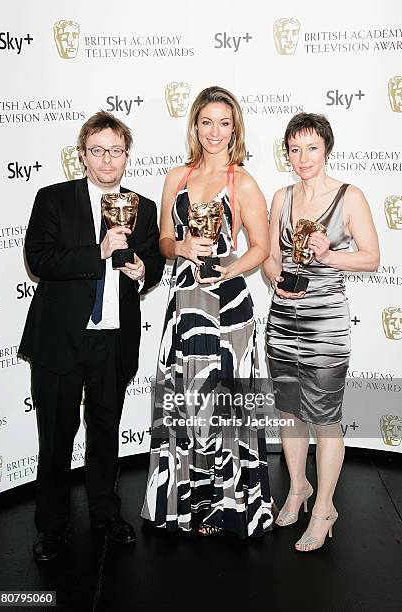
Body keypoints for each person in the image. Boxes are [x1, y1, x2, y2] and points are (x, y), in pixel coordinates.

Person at [19, 111, 165, 561]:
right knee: (56, 438)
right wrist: (96, 252)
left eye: (116, 151)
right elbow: (39, 259)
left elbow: (154, 262)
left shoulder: (143, 206)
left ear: (126, 156)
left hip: (112, 340)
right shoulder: (53, 199)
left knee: (105, 433)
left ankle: (105, 513)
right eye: (98, 151)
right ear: (82, 155)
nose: (107, 160)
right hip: (60, 340)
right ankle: (52, 526)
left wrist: (144, 270)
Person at [141, 86, 274, 538]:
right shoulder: (176, 176)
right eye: (206, 122)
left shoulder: (244, 181)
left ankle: (228, 507)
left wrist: (228, 268)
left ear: (234, 127)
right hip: (183, 300)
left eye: (224, 122)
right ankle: (188, 504)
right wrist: (178, 246)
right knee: (186, 403)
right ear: (194, 125)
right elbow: (162, 239)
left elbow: (262, 247)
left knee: (226, 407)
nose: (215, 132)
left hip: (228, 305)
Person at [263, 112, 379, 551]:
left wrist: (329, 255)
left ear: (326, 148)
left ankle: (325, 507)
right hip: (282, 321)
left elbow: (371, 258)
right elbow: (271, 257)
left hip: (327, 326)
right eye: (294, 149)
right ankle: (298, 488)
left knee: (326, 421)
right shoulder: (281, 197)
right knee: (290, 413)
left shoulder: (350, 197)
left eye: (311, 148)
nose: (302, 157)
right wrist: (276, 278)